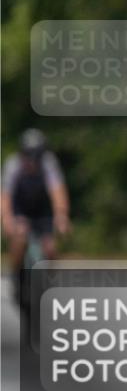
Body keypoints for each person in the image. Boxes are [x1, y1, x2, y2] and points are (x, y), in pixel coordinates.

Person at [1, 129, 71, 304]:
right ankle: (16, 276)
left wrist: (61, 215)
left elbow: (57, 191)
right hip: (20, 209)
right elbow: (6, 196)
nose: (33, 160)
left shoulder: (49, 163)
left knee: (51, 248)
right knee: (19, 239)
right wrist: (7, 219)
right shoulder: (13, 165)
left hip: (42, 211)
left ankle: (50, 284)